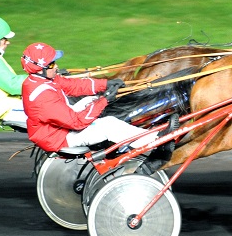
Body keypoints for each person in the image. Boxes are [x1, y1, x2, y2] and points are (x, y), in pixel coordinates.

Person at [20, 42, 159, 153]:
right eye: (51, 64)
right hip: (58, 138)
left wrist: (105, 84)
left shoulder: (39, 79)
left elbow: (74, 85)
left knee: (90, 100)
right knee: (108, 124)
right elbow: (76, 122)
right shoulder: (43, 96)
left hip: (57, 129)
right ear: (39, 68)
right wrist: (104, 100)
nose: (56, 67)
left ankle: (125, 133)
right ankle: (155, 140)